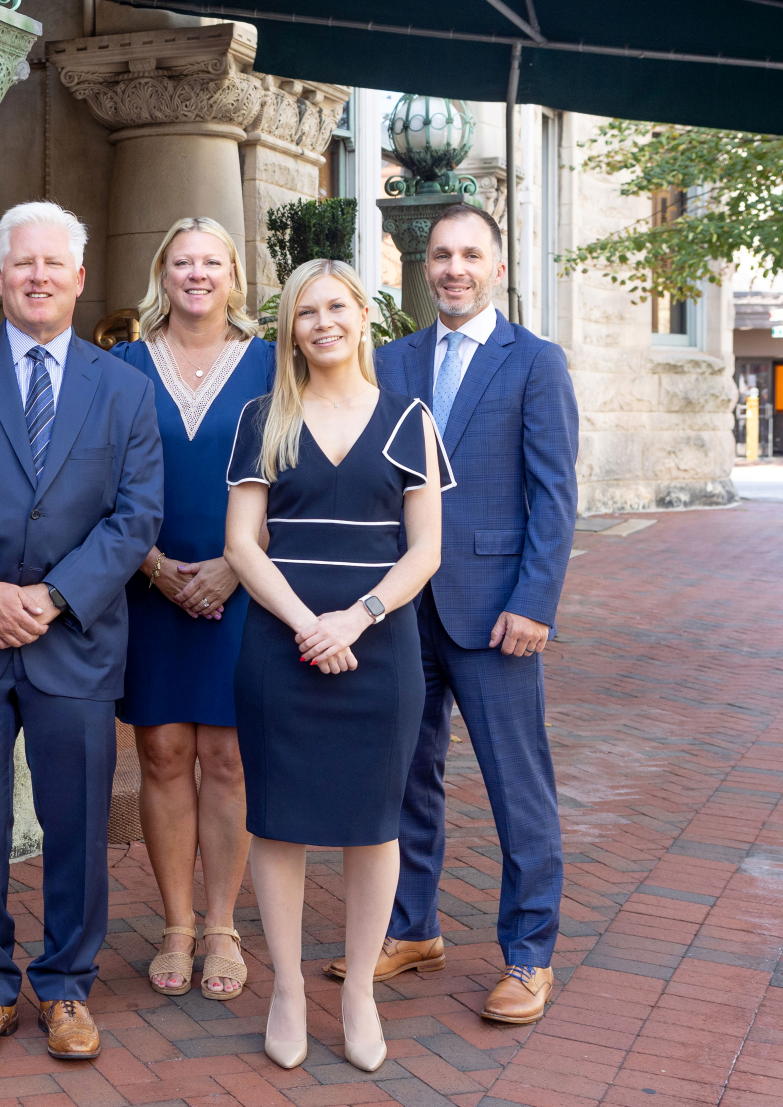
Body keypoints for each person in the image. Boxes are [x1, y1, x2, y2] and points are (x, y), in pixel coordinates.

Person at [0, 201, 163, 1064]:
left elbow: (136, 514)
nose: (37, 276)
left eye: (54, 263)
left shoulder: (124, 385)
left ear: (80, 278)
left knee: (76, 822)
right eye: (22, 264)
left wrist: (50, 597)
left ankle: (67, 983)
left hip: (72, 639)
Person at [351, 203, 578, 1025]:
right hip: (404, 610)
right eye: (440, 254)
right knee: (407, 774)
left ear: (497, 267)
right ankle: (411, 926)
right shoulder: (391, 359)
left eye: (468, 255)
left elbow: (553, 497)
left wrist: (535, 602)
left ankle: (528, 954)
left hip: (494, 613)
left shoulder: (535, 363)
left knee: (519, 786)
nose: (452, 268)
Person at [225, 258, 449, 1074]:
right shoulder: (264, 417)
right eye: (304, 312)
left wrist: (356, 617)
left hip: (380, 646)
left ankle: (358, 994)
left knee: (373, 824)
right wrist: (305, 624)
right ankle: (287, 986)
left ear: (363, 314)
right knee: (278, 819)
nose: (321, 322)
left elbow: (425, 548)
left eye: (335, 307)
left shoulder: (409, 419)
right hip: (280, 644)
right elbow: (240, 545)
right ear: (290, 329)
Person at [108, 217, 273, 1000]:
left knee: (229, 759)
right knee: (163, 754)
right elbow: (94, 481)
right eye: (183, 262)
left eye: (212, 262)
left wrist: (235, 569)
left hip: (244, 586)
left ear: (234, 275)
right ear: (162, 273)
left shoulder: (277, 365)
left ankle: (221, 925)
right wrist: (151, 564)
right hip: (151, 586)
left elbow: (296, 479)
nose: (197, 274)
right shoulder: (124, 364)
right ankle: (175, 922)